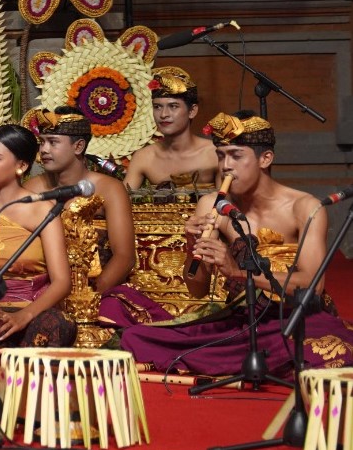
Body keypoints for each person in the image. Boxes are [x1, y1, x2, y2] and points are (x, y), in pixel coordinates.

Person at [120, 112, 353, 374]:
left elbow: (313, 285)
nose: (226, 166)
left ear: (265, 159)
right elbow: (197, 290)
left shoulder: (304, 207)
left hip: (294, 315)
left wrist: (236, 272)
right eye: (221, 156)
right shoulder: (212, 204)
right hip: (242, 318)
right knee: (137, 338)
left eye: (236, 156)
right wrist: (191, 244)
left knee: (332, 349)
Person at [0, 124, 74, 348]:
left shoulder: (42, 211)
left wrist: (24, 315)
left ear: (21, 166)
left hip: (31, 312)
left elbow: (62, 282)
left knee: (56, 324)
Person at [27, 107, 136, 294]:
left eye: (53, 142)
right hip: (42, 291)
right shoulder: (32, 189)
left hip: (96, 291)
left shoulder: (110, 188)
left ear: (78, 147)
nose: (44, 150)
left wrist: (89, 297)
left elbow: (124, 257)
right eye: (42, 142)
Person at [123, 66, 219, 191]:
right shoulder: (144, 157)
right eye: (157, 107)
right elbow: (122, 198)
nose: (163, 114)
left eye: (173, 106)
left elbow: (227, 200)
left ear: (192, 111)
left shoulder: (214, 153)